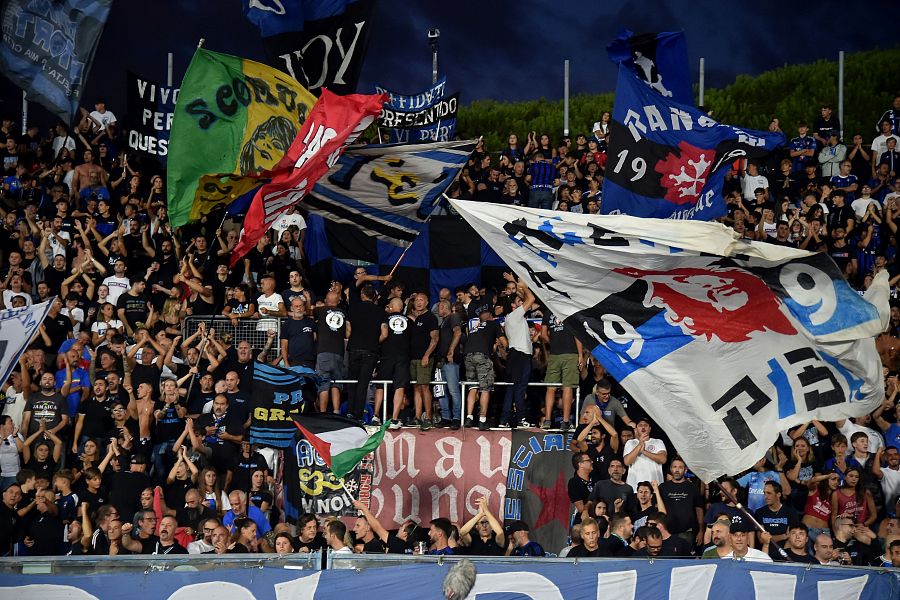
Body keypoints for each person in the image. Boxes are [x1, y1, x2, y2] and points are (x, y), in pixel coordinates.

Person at [463, 303, 507, 430]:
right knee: (485, 388)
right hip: (481, 356)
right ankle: (482, 420)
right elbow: (504, 343)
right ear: (491, 317)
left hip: (468, 356)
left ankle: (469, 417)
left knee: (473, 387)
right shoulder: (493, 324)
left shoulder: (474, 328)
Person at [540, 310, 583, 431]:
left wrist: (553, 343)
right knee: (568, 387)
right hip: (571, 354)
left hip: (554, 354)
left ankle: (547, 420)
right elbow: (576, 334)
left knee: (551, 387)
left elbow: (543, 334)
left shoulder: (547, 312)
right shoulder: (567, 308)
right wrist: (580, 354)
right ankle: (565, 421)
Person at [375, 297, 411, 430]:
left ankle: (375, 416)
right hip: (403, 357)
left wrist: (376, 343)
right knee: (399, 387)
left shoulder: (385, 318)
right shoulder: (409, 320)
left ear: (390, 307)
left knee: (381, 385)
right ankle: (395, 419)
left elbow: (384, 334)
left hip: (387, 355)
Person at [407, 292, 439, 429]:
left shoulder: (430, 318)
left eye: (421, 300)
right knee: (416, 387)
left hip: (424, 358)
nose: (418, 302)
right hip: (413, 358)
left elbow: (435, 338)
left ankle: (429, 418)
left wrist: (426, 355)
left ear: (426, 303)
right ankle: (417, 417)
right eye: (416, 300)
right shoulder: (416, 319)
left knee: (424, 386)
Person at [657, 457, 704, 547]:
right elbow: (658, 510)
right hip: (667, 532)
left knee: (686, 555)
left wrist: (701, 530)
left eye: (680, 467)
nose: (677, 470)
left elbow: (699, 510)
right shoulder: (663, 487)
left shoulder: (693, 488)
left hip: (687, 532)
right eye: (674, 467)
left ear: (685, 470)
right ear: (671, 469)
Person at [624, 419, 666, 491]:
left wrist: (644, 452)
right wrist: (640, 444)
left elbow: (663, 459)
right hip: (634, 487)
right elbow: (627, 461)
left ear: (649, 429)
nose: (643, 427)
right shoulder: (630, 443)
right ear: (636, 429)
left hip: (655, 487)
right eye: (640, 425)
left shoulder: (658, 442)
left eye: (645, 425)